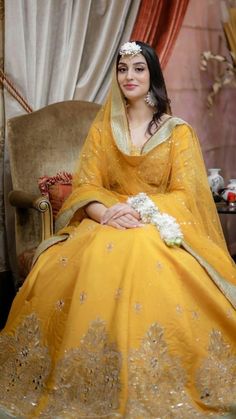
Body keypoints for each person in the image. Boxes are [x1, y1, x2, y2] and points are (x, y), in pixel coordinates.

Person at [0, 41, 236, 419]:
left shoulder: (178, 132)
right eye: (123, 69)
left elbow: (185, 193)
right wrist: (105, 213)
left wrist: (139, 209)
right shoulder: (105, 128)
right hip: (107, 222)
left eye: (138, 68)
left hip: (156, 222)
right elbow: (87, 184)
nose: (129, 76)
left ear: (153, 75)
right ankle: (88, 381)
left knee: (143, 250)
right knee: (77, 260)